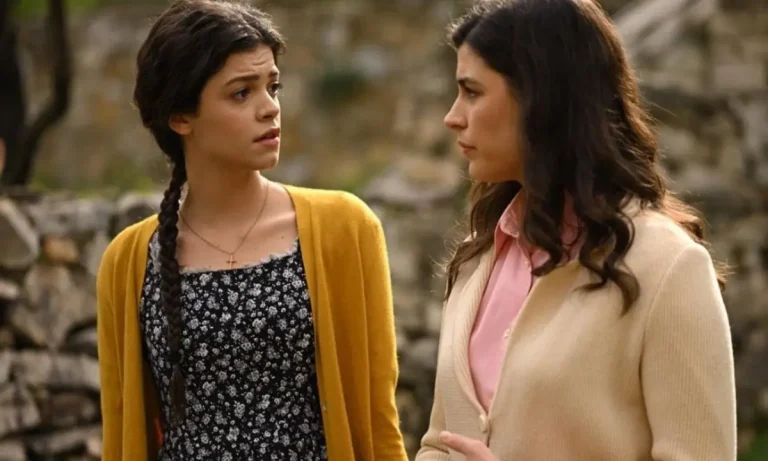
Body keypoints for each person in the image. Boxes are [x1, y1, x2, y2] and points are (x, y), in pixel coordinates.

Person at [417, 1, 737, 460]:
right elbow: (439, 442)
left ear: (542, 100)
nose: (452, 116)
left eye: (472, 92)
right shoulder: (476, 260)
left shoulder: (669, 267)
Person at [96, 1, 407, 460]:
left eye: (273, 87)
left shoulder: (346, 228)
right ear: (181, 117)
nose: (270, 109)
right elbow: (122, 431)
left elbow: (379, 423)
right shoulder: (129, 261)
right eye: (242, 93)